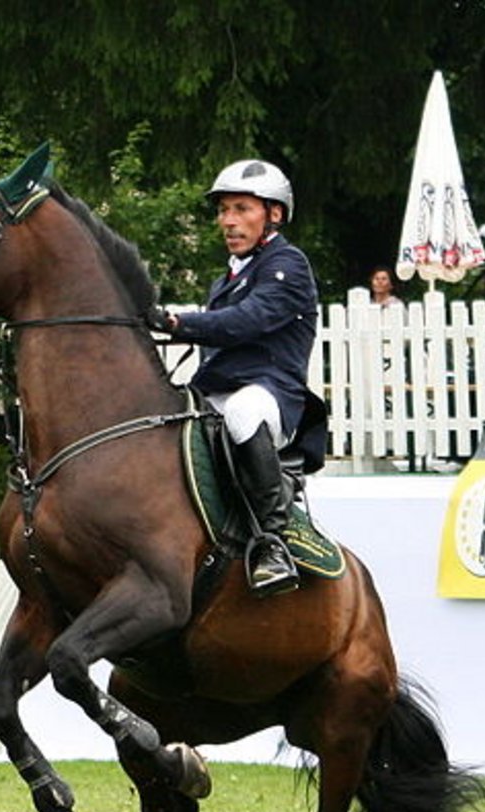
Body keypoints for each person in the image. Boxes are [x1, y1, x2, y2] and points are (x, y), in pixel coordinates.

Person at [161, 159, 322, 595]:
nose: (227, 221)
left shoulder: (288, 264)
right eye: (223, 210)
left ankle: (273, 541)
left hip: (270, 394)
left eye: (241, 209)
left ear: (274, 213)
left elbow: (245, 321)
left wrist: (178, 323)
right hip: (217, 391)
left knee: (242, 412)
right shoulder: (226, 280)